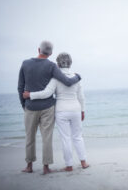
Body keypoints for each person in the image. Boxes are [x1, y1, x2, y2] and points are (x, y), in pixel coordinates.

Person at [18, 41, 81, 174]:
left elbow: (20, 87)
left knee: (30, 137)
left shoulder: (25, 63)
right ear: (51, 53)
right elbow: (68, 82)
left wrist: (24, 105)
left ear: (38, 49)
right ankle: (46, 168)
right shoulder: (52, 66)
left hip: (30, 107)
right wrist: (78, 77)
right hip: (48, 107)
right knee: (47, 138)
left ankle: (29, 166)